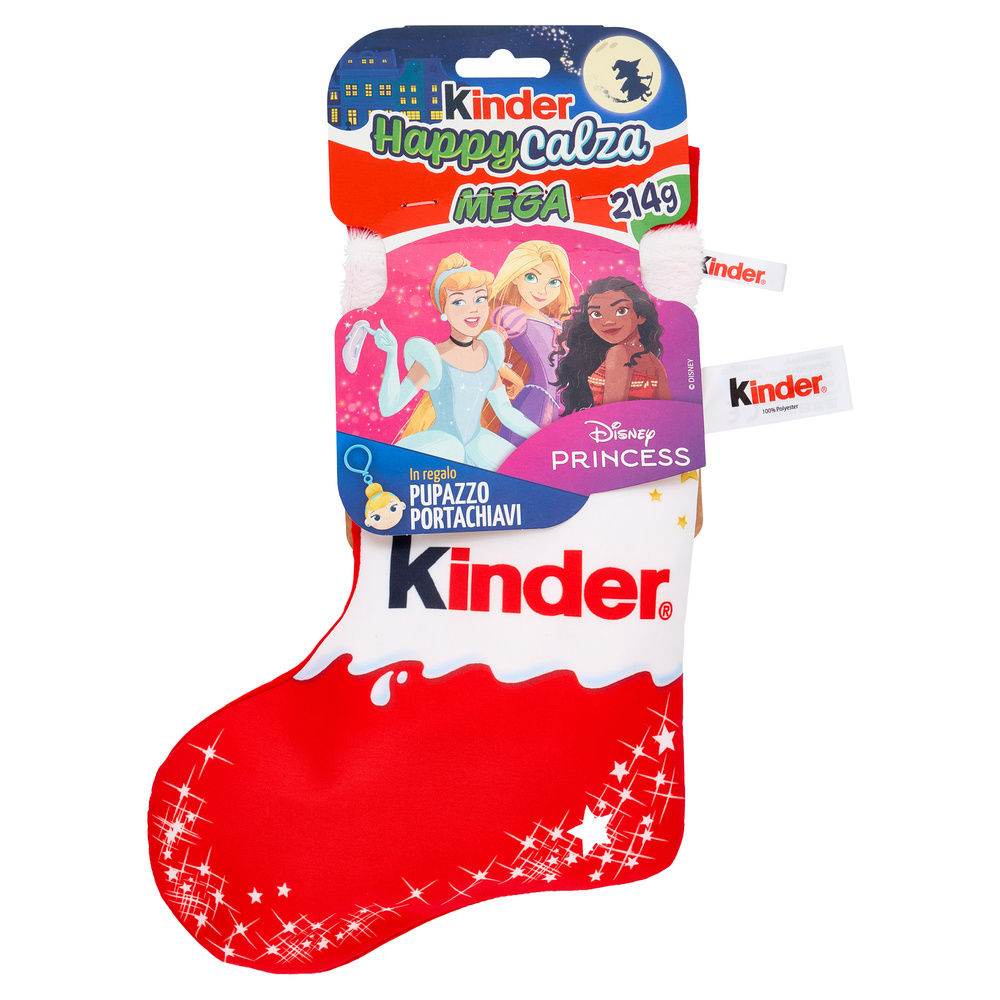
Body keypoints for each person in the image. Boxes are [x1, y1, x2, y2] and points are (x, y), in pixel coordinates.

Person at [373, 252, 539, 471]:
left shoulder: (489, 353)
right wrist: (391, 354)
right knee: (451, 451)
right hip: (441, 444)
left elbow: (505, 411)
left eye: (480, 299)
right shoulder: (432, 358)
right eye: (459, 301)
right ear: (444, 310)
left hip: (478, 441)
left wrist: (544, 436)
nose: (473, 309)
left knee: (520, 468)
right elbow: (389, 407)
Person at [488, 240, 574, 441]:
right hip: (536, 401)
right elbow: (488, 355)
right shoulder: (512, 316)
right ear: (516, 277)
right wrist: (515, 379)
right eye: (531, 277)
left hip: (562, 404)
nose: (542, 290)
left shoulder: (555, 322)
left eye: (554, 282)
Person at [552, 276, 672, 415]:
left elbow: (611, 414)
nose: (607, 322)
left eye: (621, 311)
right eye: (596, 314)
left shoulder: (619, 353)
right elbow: (667, 412)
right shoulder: (653, 361)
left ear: (640, 316)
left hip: (613, 426)